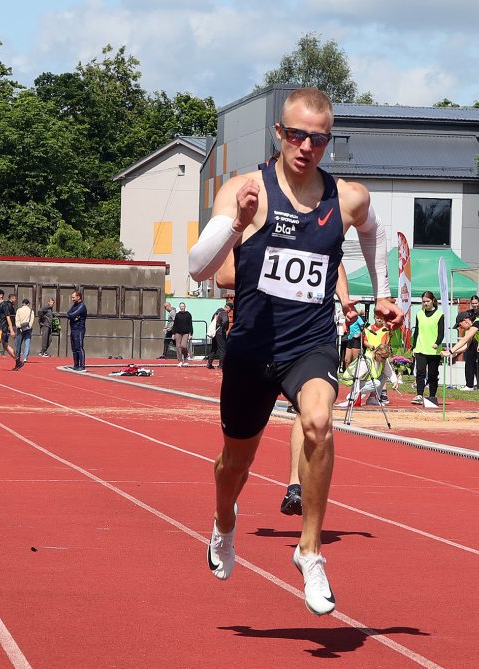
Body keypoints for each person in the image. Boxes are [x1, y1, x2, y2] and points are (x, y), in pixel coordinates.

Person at [186, 86, 402, 615]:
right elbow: (197, 267)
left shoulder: (347, 198)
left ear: (329, 142)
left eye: (319, 139)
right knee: (233, 464)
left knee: (319, 423)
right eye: (298, 135)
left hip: (311, 341)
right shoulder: (245, 190)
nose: (307, 147)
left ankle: (309, 551)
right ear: (279, 134)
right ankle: (224, 521)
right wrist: (238, 224)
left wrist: (383, 293)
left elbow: (372, 232)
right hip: (251, 347)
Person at [410, 291, 446, 409]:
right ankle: (419, 395)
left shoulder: (439, 315)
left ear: (433, 301)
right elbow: (416, 331)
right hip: (421, 348)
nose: (425, 303)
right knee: (420, 372)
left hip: (434, 351)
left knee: (432, 375)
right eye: (423, 301)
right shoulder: (419, 314)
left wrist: (437, 343)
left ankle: (431, 396)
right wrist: (414, 347)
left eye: (427, 301)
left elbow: (441, 333)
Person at [461, 296, 479, 389]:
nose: (475, 305)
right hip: (471, 340)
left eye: (476, 303)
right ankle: (469, 384)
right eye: (473, 303)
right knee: (469, 362)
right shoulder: (468, 313)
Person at [66, 290, 88, 372]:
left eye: (73, 297)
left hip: (79, 329)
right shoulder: (74, 305)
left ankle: (82, 366)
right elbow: (68, 313)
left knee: (79, 347)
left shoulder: (82, 306)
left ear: (78, 297)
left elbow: (72, 315)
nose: (72, 299)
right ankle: (76, 365)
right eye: (72, 297)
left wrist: (72, 316)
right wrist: (71, 316)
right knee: (74, 348)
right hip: (73, 329)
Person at [208, 299, 233, 369]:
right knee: (223, 349)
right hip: (220, 332)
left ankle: (209, 363)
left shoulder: (217, 312)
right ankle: (221, 365)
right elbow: (225, 321)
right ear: (228, 307)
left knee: (214, 348)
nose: (230, 311)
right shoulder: (224, 313)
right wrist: (224, 329)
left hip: (214, 332)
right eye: (230, 309)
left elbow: (212, 319)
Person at [14, 298, 35, 365]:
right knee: (27, 343)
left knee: (18, 343)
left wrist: (18, 326)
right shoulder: (31, 311)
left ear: (22, 303)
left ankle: (17, 356)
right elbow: (32, 320)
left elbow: (17, 319)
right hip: (28, 328)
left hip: (20, 328)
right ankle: (25, 357)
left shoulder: (19, 310)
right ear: (28, 304)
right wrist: (29, 326)